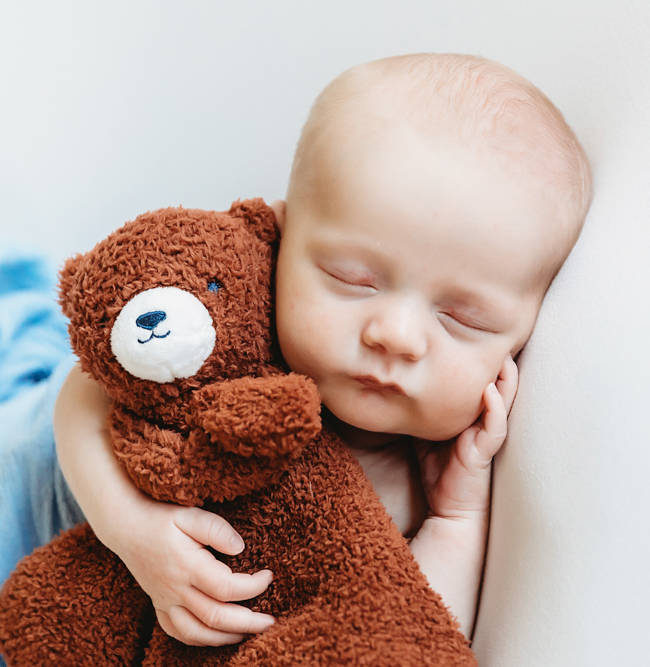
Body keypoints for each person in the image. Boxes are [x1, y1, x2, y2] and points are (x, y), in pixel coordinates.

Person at [54, 52, 593, 649]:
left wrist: (456, 519)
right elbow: (85, 389)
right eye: (353, 279)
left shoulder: (425, 481)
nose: (397, 335)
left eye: (462, 318)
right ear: (282, 238)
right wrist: (128, 526)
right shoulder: (234, 327)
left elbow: (405, 634)